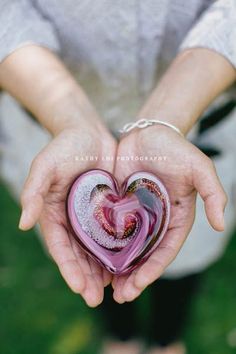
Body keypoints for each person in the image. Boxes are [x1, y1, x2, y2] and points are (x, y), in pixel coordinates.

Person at [0, 1, 236, 353]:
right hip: (53, 134)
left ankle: (165, 336)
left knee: (183, 253)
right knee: (86, 257)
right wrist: (70, 120)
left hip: (197, 131)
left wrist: (167, 118)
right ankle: (121, 334)